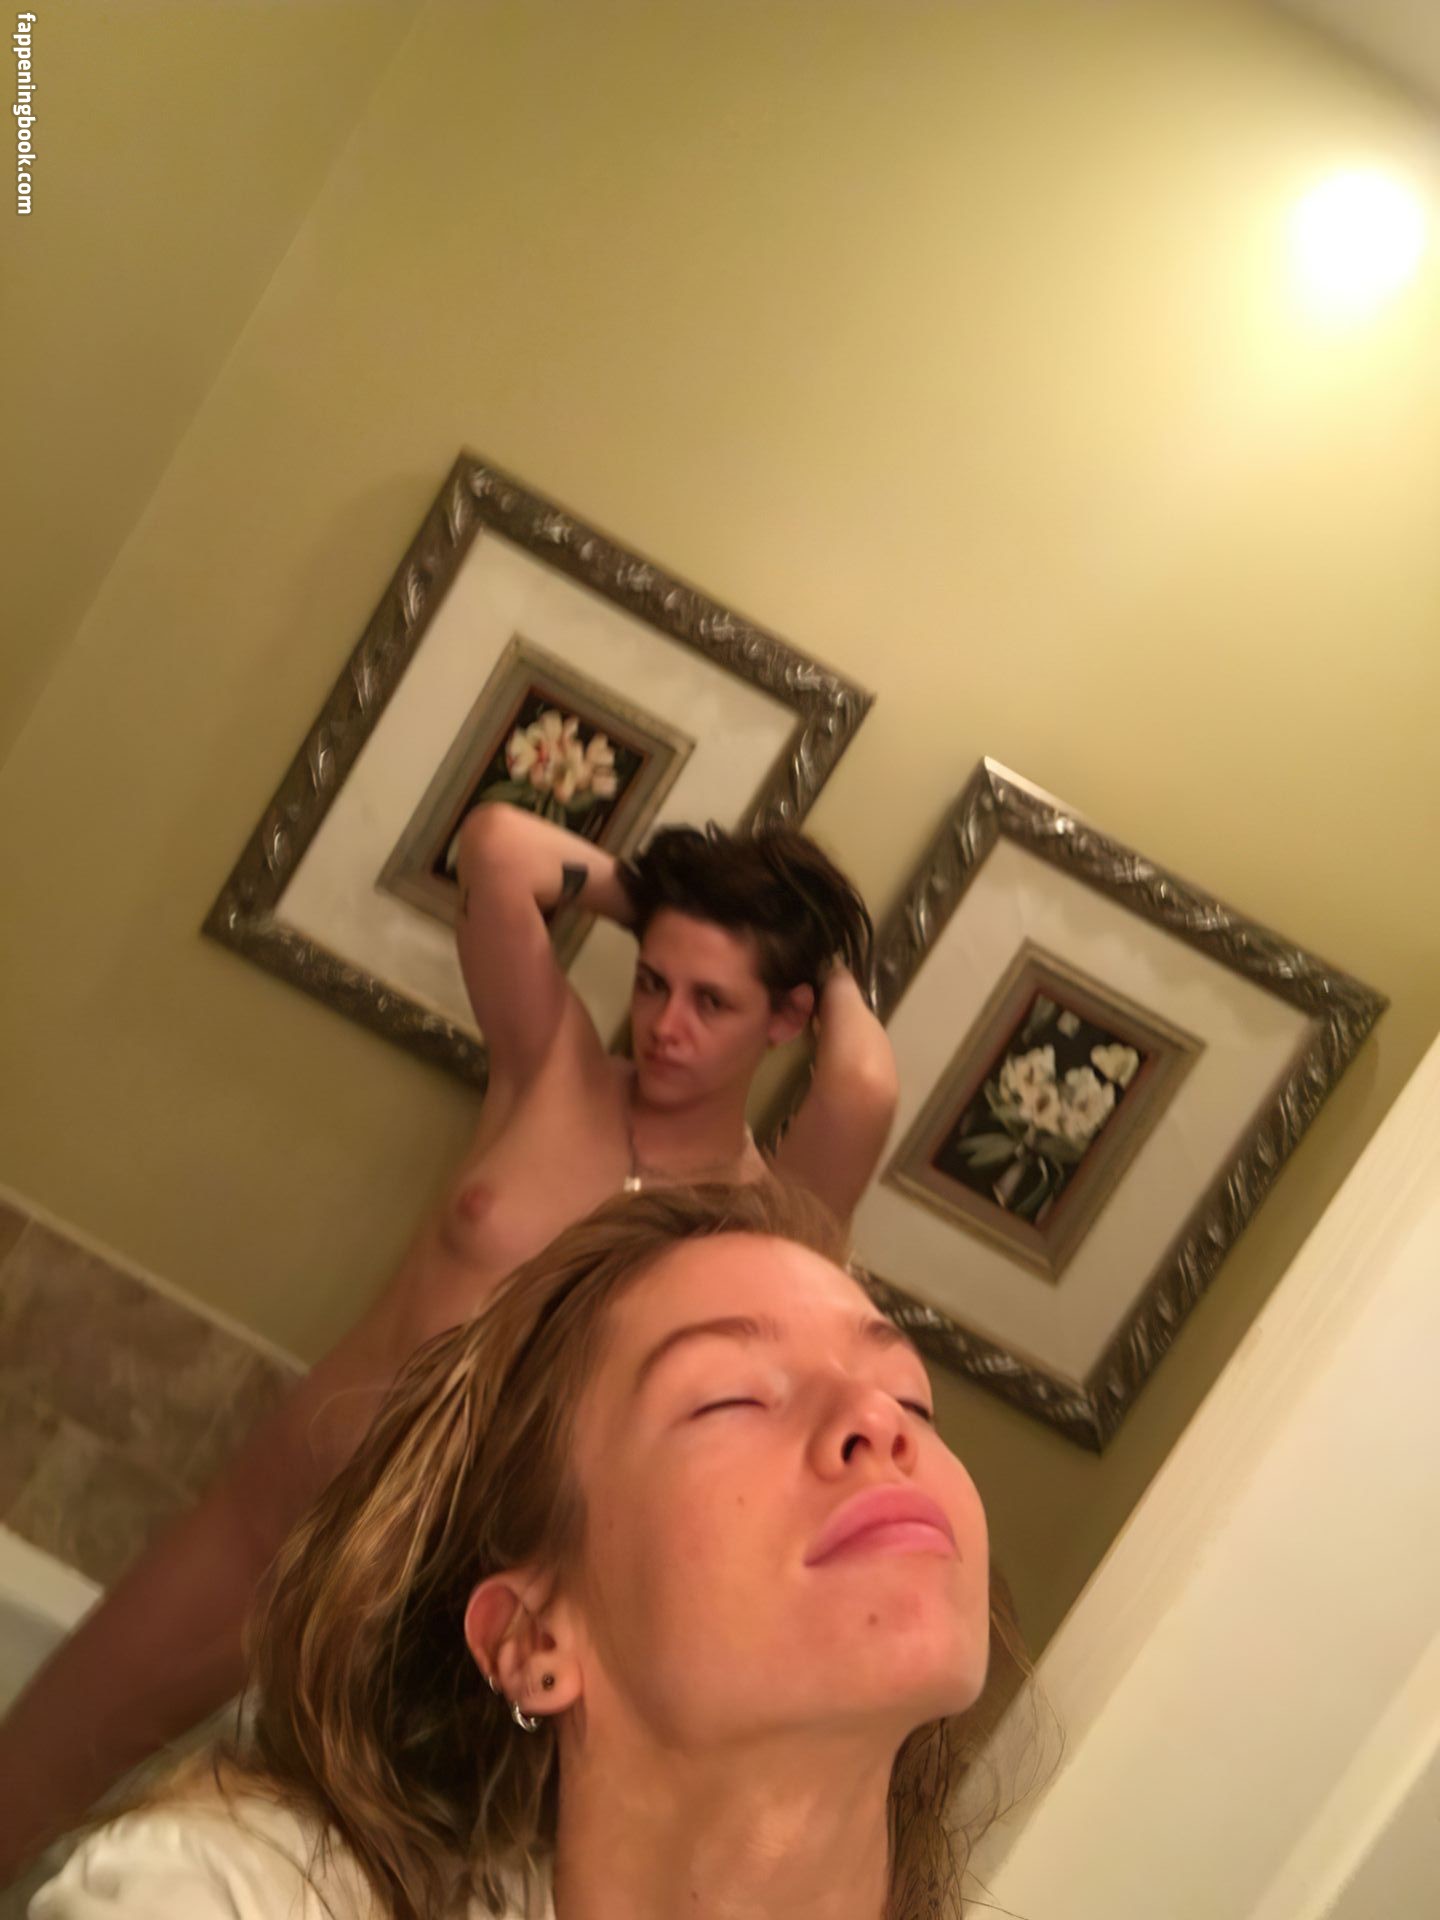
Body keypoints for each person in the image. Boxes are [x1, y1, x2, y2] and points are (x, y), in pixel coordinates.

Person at [0, 807, 901, 1885]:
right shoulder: (553, 1067)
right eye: (654, 982)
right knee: (39, 1765)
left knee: (301, 1884)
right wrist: (663, 897)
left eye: (713, 1003)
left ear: (786, 1018)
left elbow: (864, 1088)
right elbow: (500, 851)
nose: (666, 1025)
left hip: (449, 1617)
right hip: (285, 1516)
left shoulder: (757, 1218)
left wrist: (816, 957)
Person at [31, 1180, 1029, 1920]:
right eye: (730, 1396)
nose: (878, 1421)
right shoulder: (235, 1897)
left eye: (912, 1400)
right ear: (532, 1639)